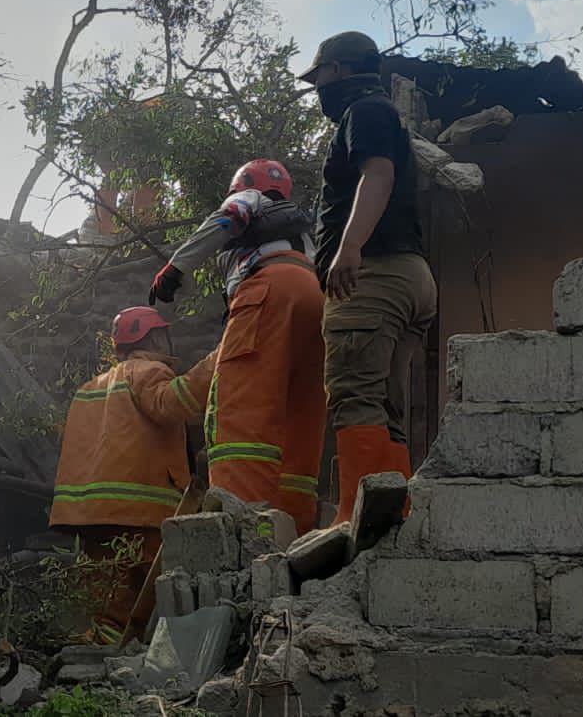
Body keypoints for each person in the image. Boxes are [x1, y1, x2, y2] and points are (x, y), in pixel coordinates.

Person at [301, 31, 435, 525]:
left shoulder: (365, 111)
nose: (318, 87)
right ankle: (392, 513)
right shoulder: (382, 114)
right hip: (408, 279)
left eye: (319, 76)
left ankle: (355, 517)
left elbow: (377, 175)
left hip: (373, 278)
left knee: (355, 396)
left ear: (337, 70)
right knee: (385, 405)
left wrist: (350, 246)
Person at [148, 160, 326, 530]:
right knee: (300, 409)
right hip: (317, 300)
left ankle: (245, 523)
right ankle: (298, 526)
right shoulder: (303, 227)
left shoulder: (250, 198)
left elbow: (229, 218)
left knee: (241, 406)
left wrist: (175, 268)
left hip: (267, 291)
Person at [49, 306, 214, 643]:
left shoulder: (90, 388)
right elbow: (172, 404)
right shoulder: (147, 371)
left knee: (110, 605)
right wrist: (217, 362)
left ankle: (101, 653)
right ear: (155, 337)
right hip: (140, 513)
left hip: (92, 517)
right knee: (157, 592)